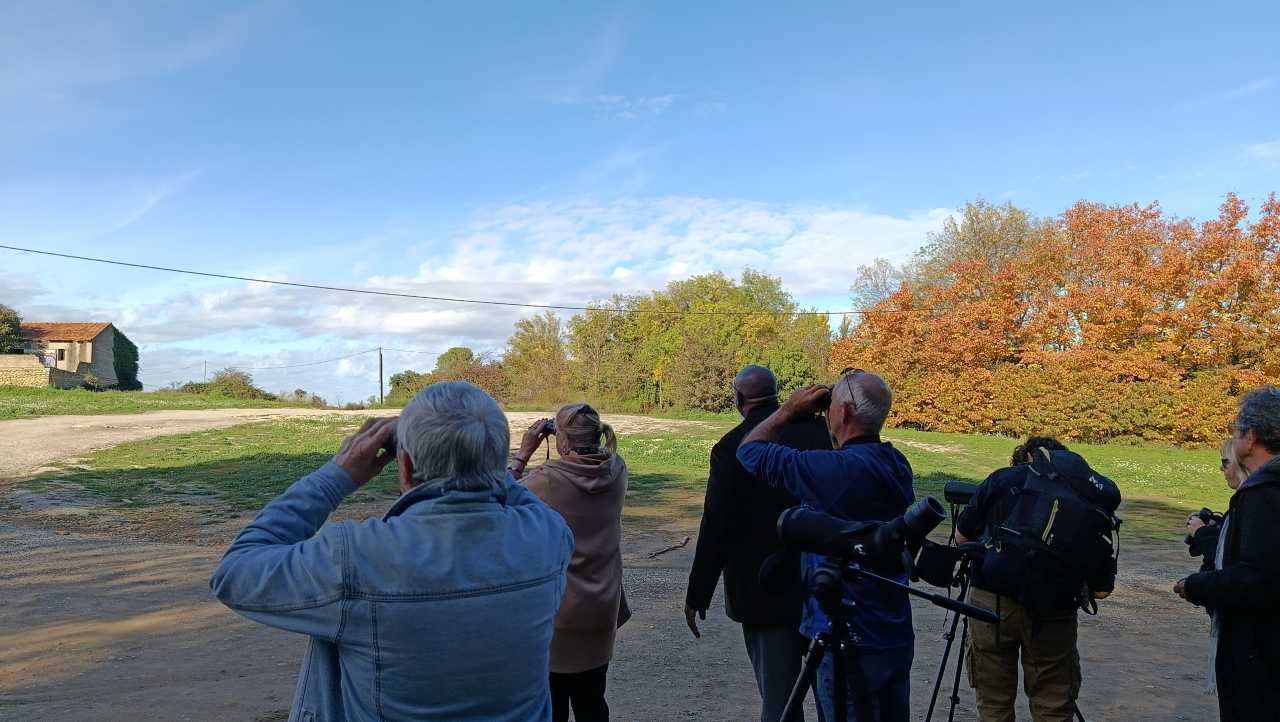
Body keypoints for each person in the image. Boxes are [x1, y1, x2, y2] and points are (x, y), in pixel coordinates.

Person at [210, 381, 573, 722]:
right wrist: (480, 458)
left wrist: (336, 476)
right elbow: (512, 490)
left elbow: (234, 572)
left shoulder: (356, 557)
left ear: (406, 466)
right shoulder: (547, 536)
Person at [737, 370, 916, 722]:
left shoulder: (834, 470)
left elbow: (750, 452)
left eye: (833, 403)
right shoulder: (896, 464)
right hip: (892, 630)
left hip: (844, 635)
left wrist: (790, 409)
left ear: (844, 411)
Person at [683, 365, 831, 722]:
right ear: (777, 393)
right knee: (835, 700)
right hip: (824, 588)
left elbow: (716, 526)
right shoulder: (823, 434)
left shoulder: (731, 447)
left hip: (764, 595)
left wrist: (697, 595)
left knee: (780, 704)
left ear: (738, 399)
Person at [955, 436, 1113, 722]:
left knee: (993, 704)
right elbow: (1101, 591)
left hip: (991, 602)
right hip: (1055, 608)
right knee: (1053, 706)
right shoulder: (1084, 497)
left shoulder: (1002, 479)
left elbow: (962, 538)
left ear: (1027, 456)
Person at [510, 403, 629, 722]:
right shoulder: (617, 470)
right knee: (593, 701)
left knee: (553, 707)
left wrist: (523, 454)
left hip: (558, 615)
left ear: (561, 438)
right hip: (602, 607)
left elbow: (499, 501)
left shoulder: (548, 480)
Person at [1175, 386, 1280, 720]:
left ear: (1250, 438)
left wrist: (1195, 586)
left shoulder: (1262, 492)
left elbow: (1257, 579)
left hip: (1261, 656)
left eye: (1236, 432)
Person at [1185, 439, 1246, 575]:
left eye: (1225, 462)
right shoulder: (1243, 502)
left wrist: (1201, 531)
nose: (1221, 468)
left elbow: (1223, 560)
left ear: (1242, 464)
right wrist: (1217, 524)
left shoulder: (1249, 505)